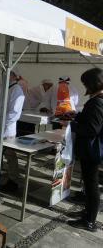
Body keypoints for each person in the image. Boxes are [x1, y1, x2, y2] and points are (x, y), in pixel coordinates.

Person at [65, 68, 103, 232]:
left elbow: (92, 129)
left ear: (93, 83)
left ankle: (89, 221)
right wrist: (76, 115)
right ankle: (88, 212)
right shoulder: (97, 99)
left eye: (85, 83)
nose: (84, 86)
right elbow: (91, 119)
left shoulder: (97, 101)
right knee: (89, 184)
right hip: (91, 150)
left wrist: (72, 125)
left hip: (91, 150)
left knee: (91, 185)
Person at [0, 69, 25, 192]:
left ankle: (14, 181)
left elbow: (14, 112)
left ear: (13, 76)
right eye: (2, 72)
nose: (3, 75)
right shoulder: (3, 87)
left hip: (5, 129)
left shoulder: (17, 90)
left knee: (9, 155)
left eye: (6, 73)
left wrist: (2, 124)